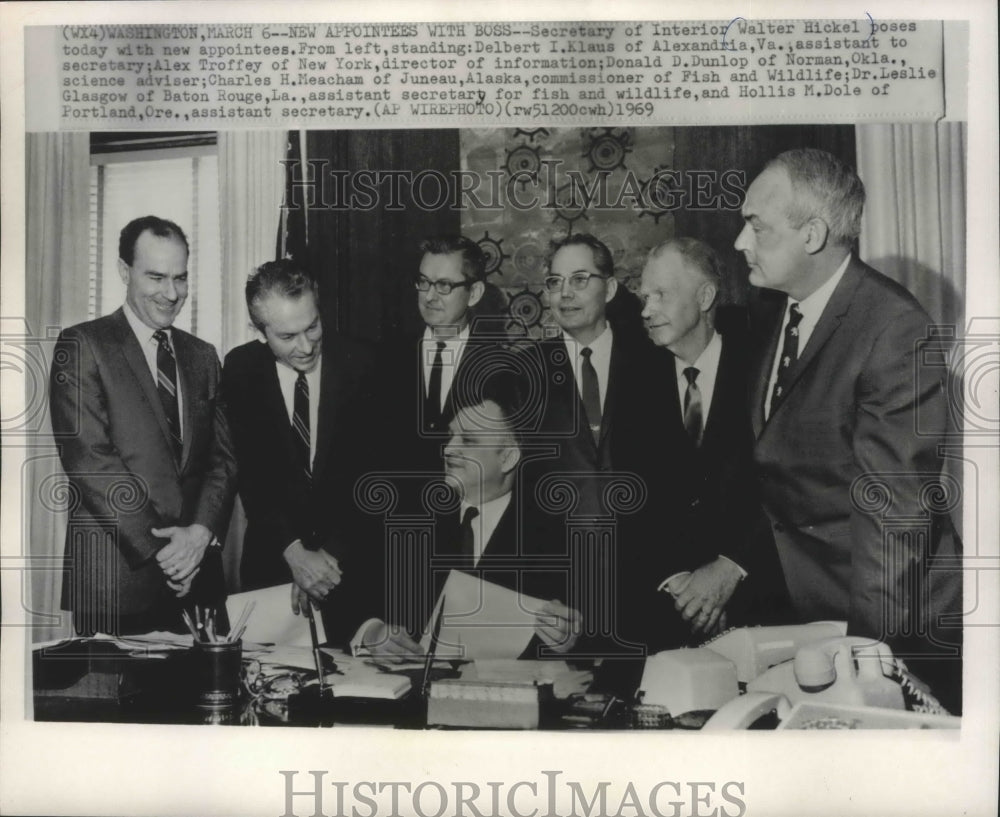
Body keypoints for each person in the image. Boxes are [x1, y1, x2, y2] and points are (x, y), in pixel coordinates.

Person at [735, 148, 961, 709]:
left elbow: (893, 514)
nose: (740, 242)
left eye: (755, 226)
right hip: (813, 617)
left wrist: (864, 654)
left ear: (812, 233)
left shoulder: (893, 326)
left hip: (892, 630)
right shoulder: (777, 310)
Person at [49, 215, 237, 636]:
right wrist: (167, 551)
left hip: (198, 582)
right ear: (123, 271)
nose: (171, 294)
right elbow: (91, 462)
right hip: (116, 585)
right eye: (156, 277)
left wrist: (200, 534)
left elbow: (222, 461)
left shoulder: (203, 357)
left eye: (181, 278)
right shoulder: (82, 345)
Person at [632, 237, 784, 650]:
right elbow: (627, 497)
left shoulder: (765, 370)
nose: (646, 310)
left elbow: (790, 487)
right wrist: (677, 582)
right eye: (644, 297)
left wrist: (731, 567)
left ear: (704, 296)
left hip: (766, 612)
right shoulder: (632, 383)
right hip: (669, 617)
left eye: (660, 295)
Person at [358, 385, 582, 659]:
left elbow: (581, 629)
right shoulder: (407, 516)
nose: (449, 449)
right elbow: (355, 596)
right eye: (451, 436)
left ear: (508, 457)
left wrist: (566, 636)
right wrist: (372, 633)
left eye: (469, 440)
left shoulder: (554, 536)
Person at [221, 260, 379, 645]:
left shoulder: (364, 364)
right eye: (288, 336)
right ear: (259, 331)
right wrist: (293, 554)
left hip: (349, 568)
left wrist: (322, 563)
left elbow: (375, 476)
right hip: (272, 568)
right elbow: (250, 474)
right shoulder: (240, 369)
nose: (306, 346)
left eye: (312, 327)